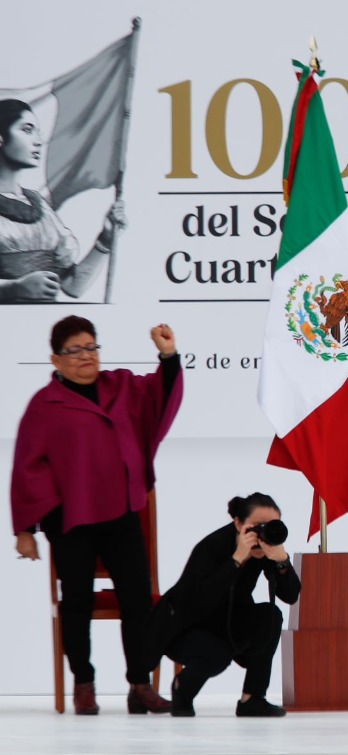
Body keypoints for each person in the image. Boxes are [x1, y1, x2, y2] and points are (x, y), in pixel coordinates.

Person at [11, 316, 183, 714]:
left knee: (138, 600)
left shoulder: (122, 387)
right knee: (76, 602)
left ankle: (140, 684)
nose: (85, 356)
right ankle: (83, 683)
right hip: (71, 519)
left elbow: (161, 395)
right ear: (56, 360)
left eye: (91, 347)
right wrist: (26, 529)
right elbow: (27, 467)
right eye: (74, 350)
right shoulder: (44, 406)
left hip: (121, 513)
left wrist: (168, 354)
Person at [143, 493, 301, 718]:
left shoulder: (265, 548)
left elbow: (291, 595)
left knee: (271, 615)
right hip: (184, 626)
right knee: (217, 653)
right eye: (257, 526)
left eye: (270, 525)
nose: (262, 533)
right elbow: (200, 600)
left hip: (228, 623)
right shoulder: (211, 547)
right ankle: (182, 692)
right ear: (238, 523)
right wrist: (236, 560)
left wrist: (281, 560)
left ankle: (252, 698)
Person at [0, 99, 125, 303]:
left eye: (38, 132)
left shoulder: (39, 205)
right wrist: (12, 289)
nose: (38, 141)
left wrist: (106, 239)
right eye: (27, 129)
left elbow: (73, 286)